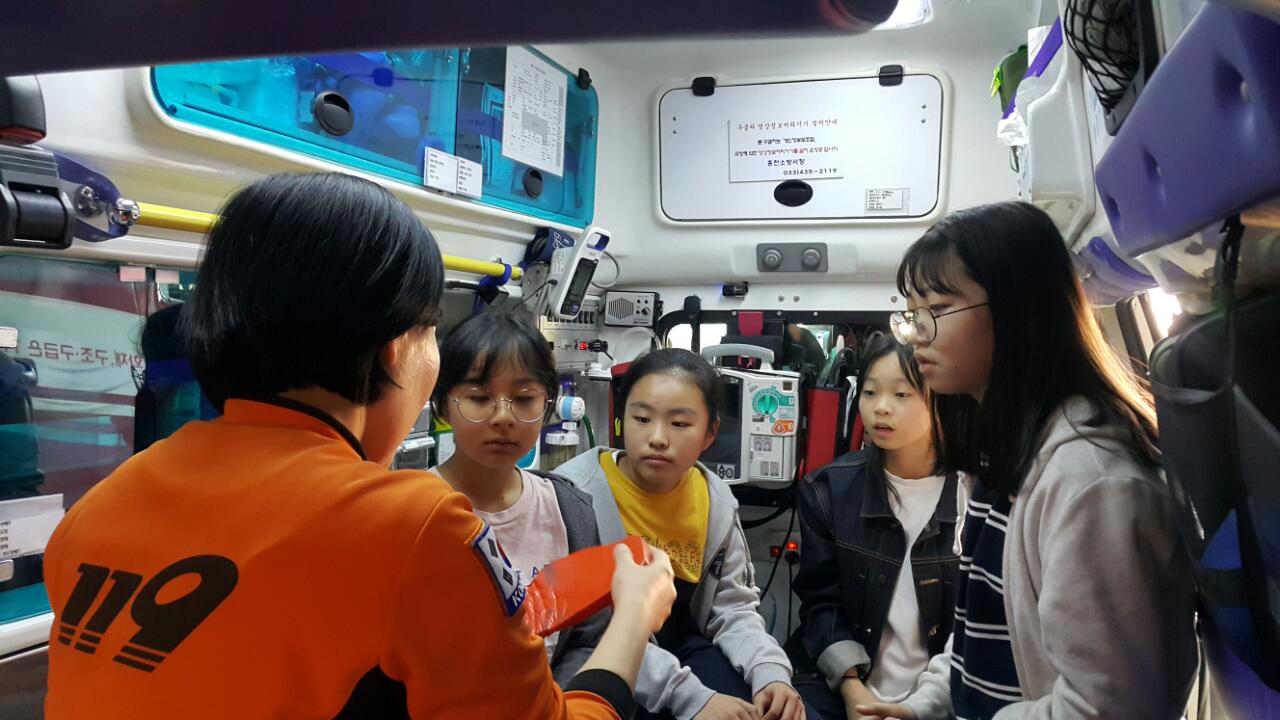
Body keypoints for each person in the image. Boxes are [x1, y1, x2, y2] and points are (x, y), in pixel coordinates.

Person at [42, 172, 675, 719]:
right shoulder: (417, 527)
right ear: (397, 349)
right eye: (432, 330)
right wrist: (633, 617)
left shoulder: (102, 504)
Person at [857, 201, 1197, 720]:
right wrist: (925, 706)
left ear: (1018, 311)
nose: (917, 334)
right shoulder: (999, 459)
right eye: (912, 314)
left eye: (937, 310)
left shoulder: (1091, 484)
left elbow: (1104, 708)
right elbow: (985, 626)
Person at [557, 348, 807, 720]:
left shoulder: (714, 498)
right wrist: (693, 699)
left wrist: (769, 671)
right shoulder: (572, 496)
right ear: (621, 420)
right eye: (642, 418)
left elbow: (733, 607)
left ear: (710, 433)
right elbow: (590, 637)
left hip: (683, 653)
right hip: (599, 667)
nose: (657, 437)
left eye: (679, 424)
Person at [431, 310, 610, 684]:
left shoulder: (570, 512)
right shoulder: (411, 511)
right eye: (479, 397)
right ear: (442, 404)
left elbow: (586, 638)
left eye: (524, 398)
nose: (503, 416)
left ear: (547, 405)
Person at [787, 337, 959, 720]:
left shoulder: (976, 495)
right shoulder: (829, 489)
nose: (881, 407)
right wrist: (854, 691)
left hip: (944, 696)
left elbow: (982, 627)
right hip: (843, 689)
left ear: (941, 399)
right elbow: (821, 604)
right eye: (870, 392)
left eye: (901, 394)